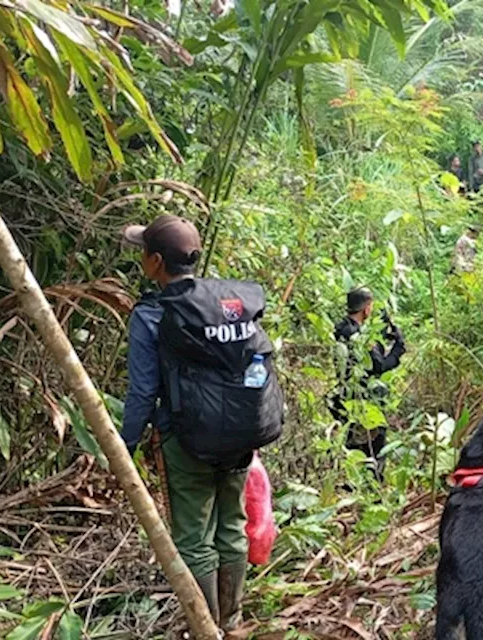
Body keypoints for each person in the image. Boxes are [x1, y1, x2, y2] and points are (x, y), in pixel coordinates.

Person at [120, 214, 284, 632]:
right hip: (240, 436)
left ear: (156, 262)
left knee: (193, 537)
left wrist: (127, 444)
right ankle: (232, 622)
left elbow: (142, 391)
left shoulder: (151, 315)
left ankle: (204, 627)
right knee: (231, 525)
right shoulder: (227, 306)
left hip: (185, 439)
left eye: (143, 253)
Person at [331, 287, 406, 479]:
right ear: (366, 308)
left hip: (345, 396)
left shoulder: (340, 329)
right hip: (365, 399)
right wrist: (398, 348)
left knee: (353, 445)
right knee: (374, 444)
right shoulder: (360, 338)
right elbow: (378, 366)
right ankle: (372, 485)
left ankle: (352, 483)